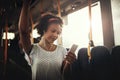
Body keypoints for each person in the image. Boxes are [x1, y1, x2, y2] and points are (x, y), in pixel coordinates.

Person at [18, 0, 76, 80]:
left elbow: (65, 76)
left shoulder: (62, 50)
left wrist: (69, 63)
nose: (56, 35)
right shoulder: (32, 49)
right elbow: (23, 32)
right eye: (53, 31)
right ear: (44, 30)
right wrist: (26, 4)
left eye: (58, 33)